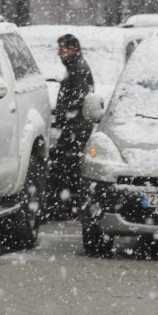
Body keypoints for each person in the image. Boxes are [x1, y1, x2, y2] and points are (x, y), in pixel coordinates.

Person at [48, 34, 95, 217]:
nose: (60, 53)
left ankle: (67, 207)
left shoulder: (77, 70)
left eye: (63, 49)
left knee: (67, 169)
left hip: (75, 130)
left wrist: (66, 125)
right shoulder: (74, 67)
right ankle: (67, 206)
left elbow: (77, 102)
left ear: (73, 50)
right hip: (72, 128)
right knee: (66, 169)